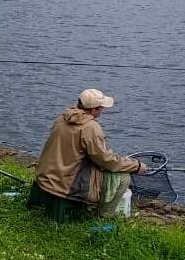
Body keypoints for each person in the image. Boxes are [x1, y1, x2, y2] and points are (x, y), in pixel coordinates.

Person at [30, 88, 147, 220]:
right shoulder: (91, 127)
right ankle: (105, 214)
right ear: (93, 110)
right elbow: (107, 161)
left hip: (44, 178)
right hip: (64, 185)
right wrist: (136, 166)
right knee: (124, 178)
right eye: (100, 108)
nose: (102, 110)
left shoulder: (62, 118)